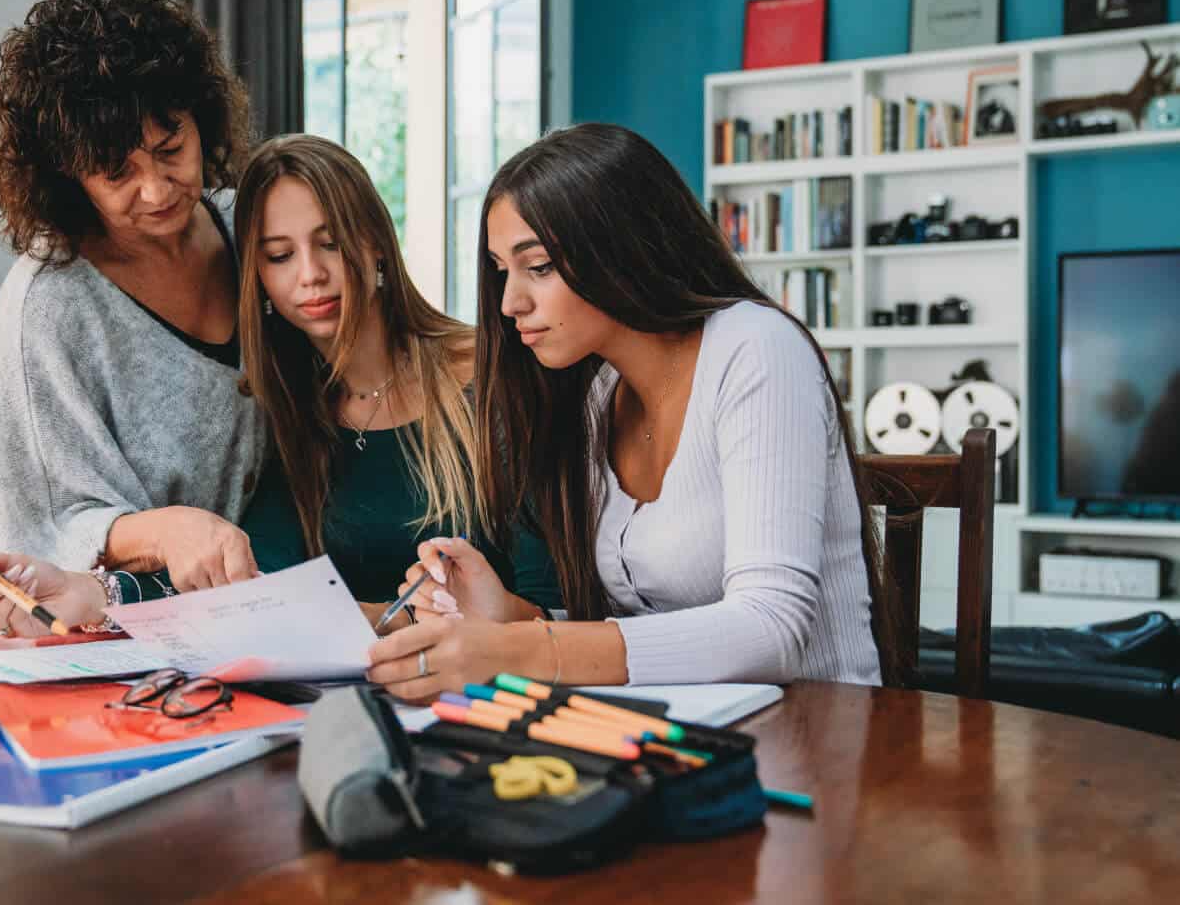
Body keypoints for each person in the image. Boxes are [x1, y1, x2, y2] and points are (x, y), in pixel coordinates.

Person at [367, 123, 888, 700]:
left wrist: (512, 649)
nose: (511, 303)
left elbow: (771, 630)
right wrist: (502, 617)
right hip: (689, 734)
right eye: (501, 271)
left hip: (823, 736)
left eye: (537, 267)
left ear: (622, 249)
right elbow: (648, 638)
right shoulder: (600, 398)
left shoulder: (757, 349)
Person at [0, 135, 562, 631]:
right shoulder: (288, 415)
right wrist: (92, 594)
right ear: (259, 283)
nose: (312, 276)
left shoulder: (490, 376)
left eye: (330, 242)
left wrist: (455, 617)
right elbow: (246, 588)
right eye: (279, 256)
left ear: (377, 243)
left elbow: (553, 606)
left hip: (490, 702)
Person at [0, 0, 266, 637]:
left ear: (202, 121)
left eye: (170, 149)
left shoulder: (253, 233)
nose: (156, 190)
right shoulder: (49, 303)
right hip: (31, 629)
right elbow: (37, 522)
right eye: (117, 174)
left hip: (177, 615)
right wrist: (171, 530)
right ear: (69, 178)